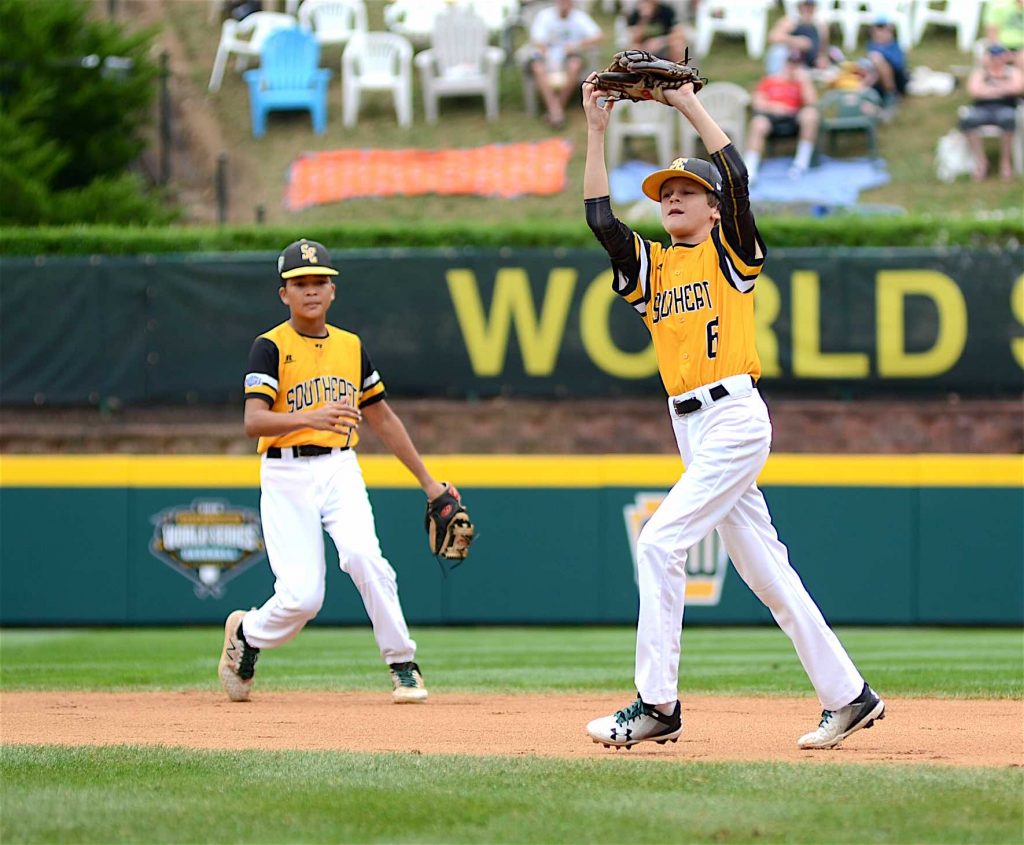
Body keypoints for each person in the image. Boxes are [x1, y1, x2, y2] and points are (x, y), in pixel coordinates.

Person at [579, 76, 885, 751]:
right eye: (665, 194)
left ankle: (657, 704)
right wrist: (597, 130)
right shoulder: (653, 268)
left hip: (735, 418)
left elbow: (738, 177)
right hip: (689, 426)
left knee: (660, 541)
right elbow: (602, 220)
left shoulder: (729, 254)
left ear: (715, 210)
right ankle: (849, 694)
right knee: (767, 574)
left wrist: (686, 101)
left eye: (687, 191)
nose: (673, 199)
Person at [218, 239, 450, 705]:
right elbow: (253, 421)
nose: (311, 290)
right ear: (283, 293)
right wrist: (311, 417)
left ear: (333, 289)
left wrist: (429, 483)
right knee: (303, 599)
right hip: (285, 474)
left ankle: (402, 663)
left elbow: (382, 417)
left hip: (339, 466)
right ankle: (247, 631)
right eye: (299, 283)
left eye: (319, 281)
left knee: (366, 559)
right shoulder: (269, 347)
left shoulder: (351, 346)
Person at [524, 0, 604, 127]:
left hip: (570, 57)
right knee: (537, 67)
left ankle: (555, 111)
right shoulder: (544, 16)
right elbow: (538, 41)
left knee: (574, 64)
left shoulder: (580, 17)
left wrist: (577, 45)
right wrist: (548, 55)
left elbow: (598, 36)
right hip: (547, 58)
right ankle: (557, 111)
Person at [744, 48, 819, 182]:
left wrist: (805, 83)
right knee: (758, 123)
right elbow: (757, 102)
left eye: (797, 63)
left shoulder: (802, 82)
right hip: (772, 118)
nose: (793, 67)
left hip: (793, 118)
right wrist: (774, 107)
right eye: (791, 62)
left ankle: (800, 164)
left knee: (811, 115)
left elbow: (812, 102)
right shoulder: (770, 80)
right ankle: (750, 169)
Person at [958, 44, 1024, 181]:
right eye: (992, 56)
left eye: (999, 55)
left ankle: (1005, 162)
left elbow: (1017, 88)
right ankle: (981, 162)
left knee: (1008, 119)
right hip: (982, 108)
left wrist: (990, 89)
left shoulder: (1013, 72)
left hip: (1006, 107)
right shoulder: (979, 73)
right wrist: (1002, 89)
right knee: (968, 120)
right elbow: (974, 91)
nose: (996, 59)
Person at [765, 0, 830, 75]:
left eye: (811, 6)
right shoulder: (791, 21)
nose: (808, 9)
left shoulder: (820, 25)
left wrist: (822, 57)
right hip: (793, 59)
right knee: (778, 51)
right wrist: (795, 41)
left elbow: (823, 47)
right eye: (806, 6)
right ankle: (776, 79)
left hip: (811, 61)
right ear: (800, 7)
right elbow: (773, 37)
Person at [864, 16, 908, 111]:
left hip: (896, 81)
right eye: (877, 29)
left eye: (883, 29)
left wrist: (881, 58)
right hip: (878, 81)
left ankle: (890, 95)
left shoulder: (893, 46)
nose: (880, 33)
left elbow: (898, 66)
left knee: (877, 60)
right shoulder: (872, 45)